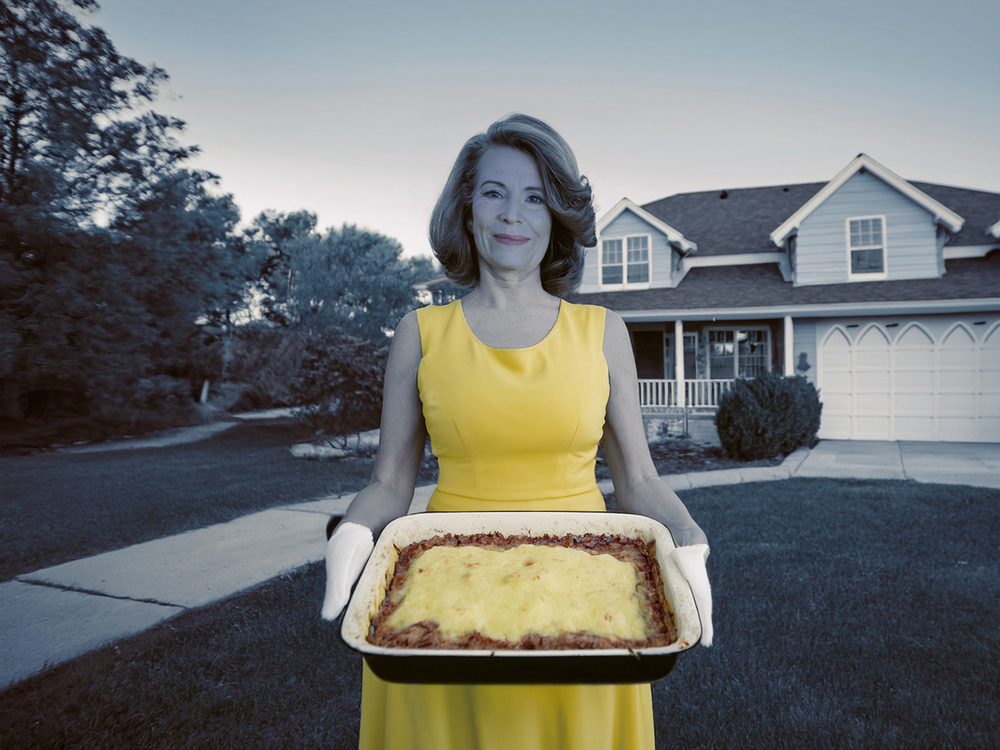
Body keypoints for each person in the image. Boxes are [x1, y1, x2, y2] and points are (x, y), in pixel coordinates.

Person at [322, 113, 711, 750]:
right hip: (440, 594)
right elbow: (389, 483)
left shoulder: (603, 333)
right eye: (494, 193)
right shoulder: (418, 335)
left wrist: (689, 540)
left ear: (556, 217)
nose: (513, 215)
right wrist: (354, 535)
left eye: (534, 197)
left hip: (593, 594)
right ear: (467, 209)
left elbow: (638, 481)